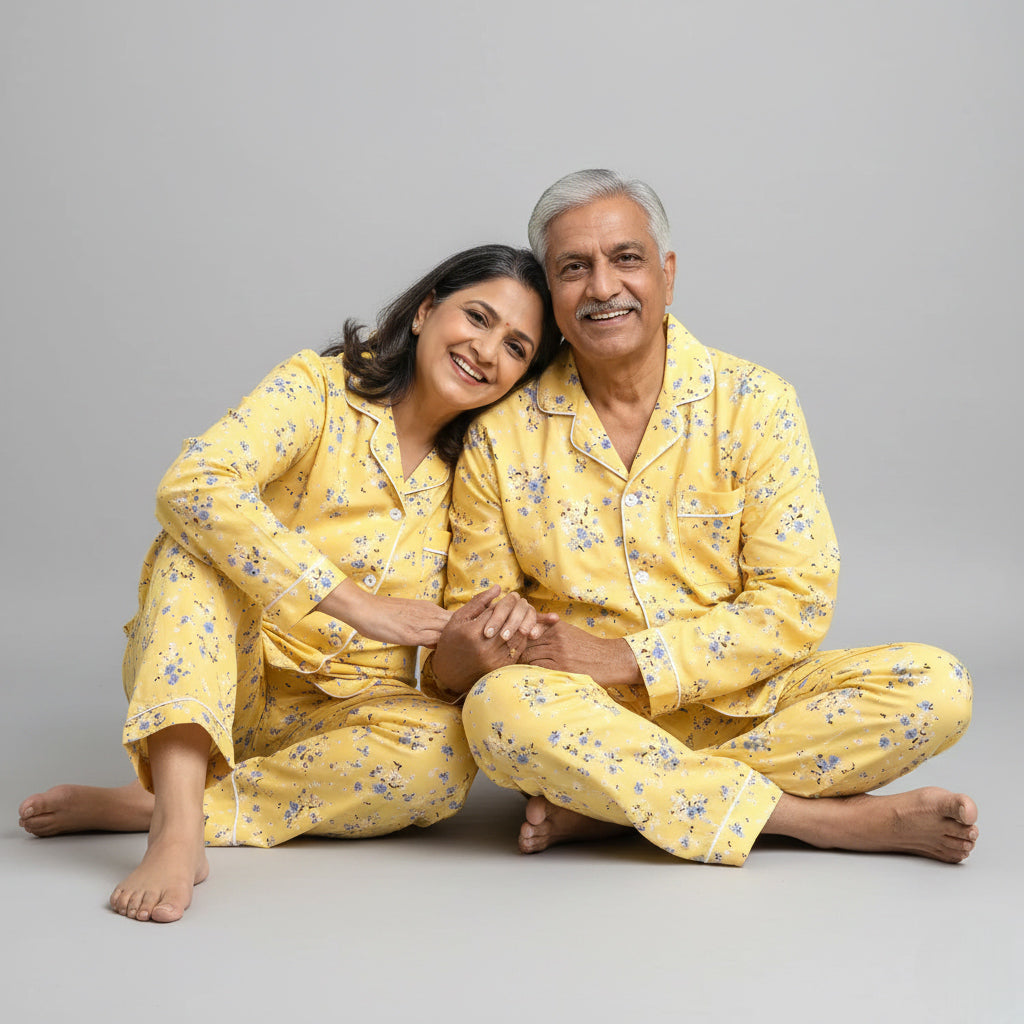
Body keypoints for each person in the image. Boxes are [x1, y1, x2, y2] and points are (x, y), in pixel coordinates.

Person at [426, 170, 978, 866]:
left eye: (625, 258)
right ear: (552, 294)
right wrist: (478, 647)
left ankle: (614, 803)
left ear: (667, 273)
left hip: (750, 699)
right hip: (585, 717)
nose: (603, 288)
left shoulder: (756, 401)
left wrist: (627, 659)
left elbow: (795, 603)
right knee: (498, 711)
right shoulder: (501, 433)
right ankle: (817, 822)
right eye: (574, 268)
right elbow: (482, 622)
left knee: (937, 688)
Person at [18, 244, 562, 921]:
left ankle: (172, 801)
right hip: (222, 680)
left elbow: (446, 673)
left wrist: (477, 639)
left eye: (515, 347)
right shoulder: (318, 388)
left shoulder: (481, 476)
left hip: (344, 717)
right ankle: (177, 832)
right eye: (477, 317)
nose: (486, 351)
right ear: (425, 312)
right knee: (195, 551)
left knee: (446, 756)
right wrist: (357, 605)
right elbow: (193, 484)